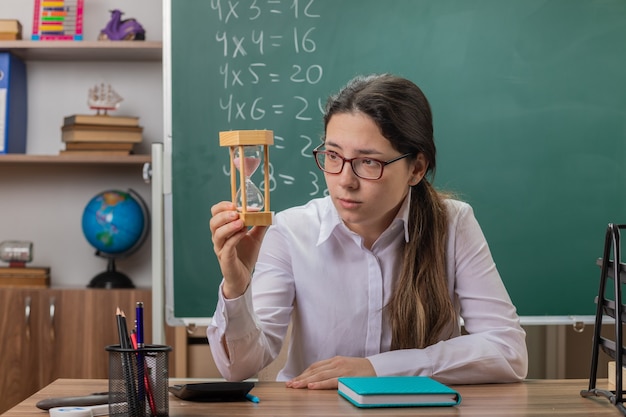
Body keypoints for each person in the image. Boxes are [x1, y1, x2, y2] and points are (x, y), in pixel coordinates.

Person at [207, 73, 528, 390]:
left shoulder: (452, 223)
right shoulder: (291, 231)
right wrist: (237, 285)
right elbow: (238, 368)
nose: (344, 180)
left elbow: (508, 351)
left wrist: (378, 369)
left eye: (368, 162)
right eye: (333, 156)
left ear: (415, 168)